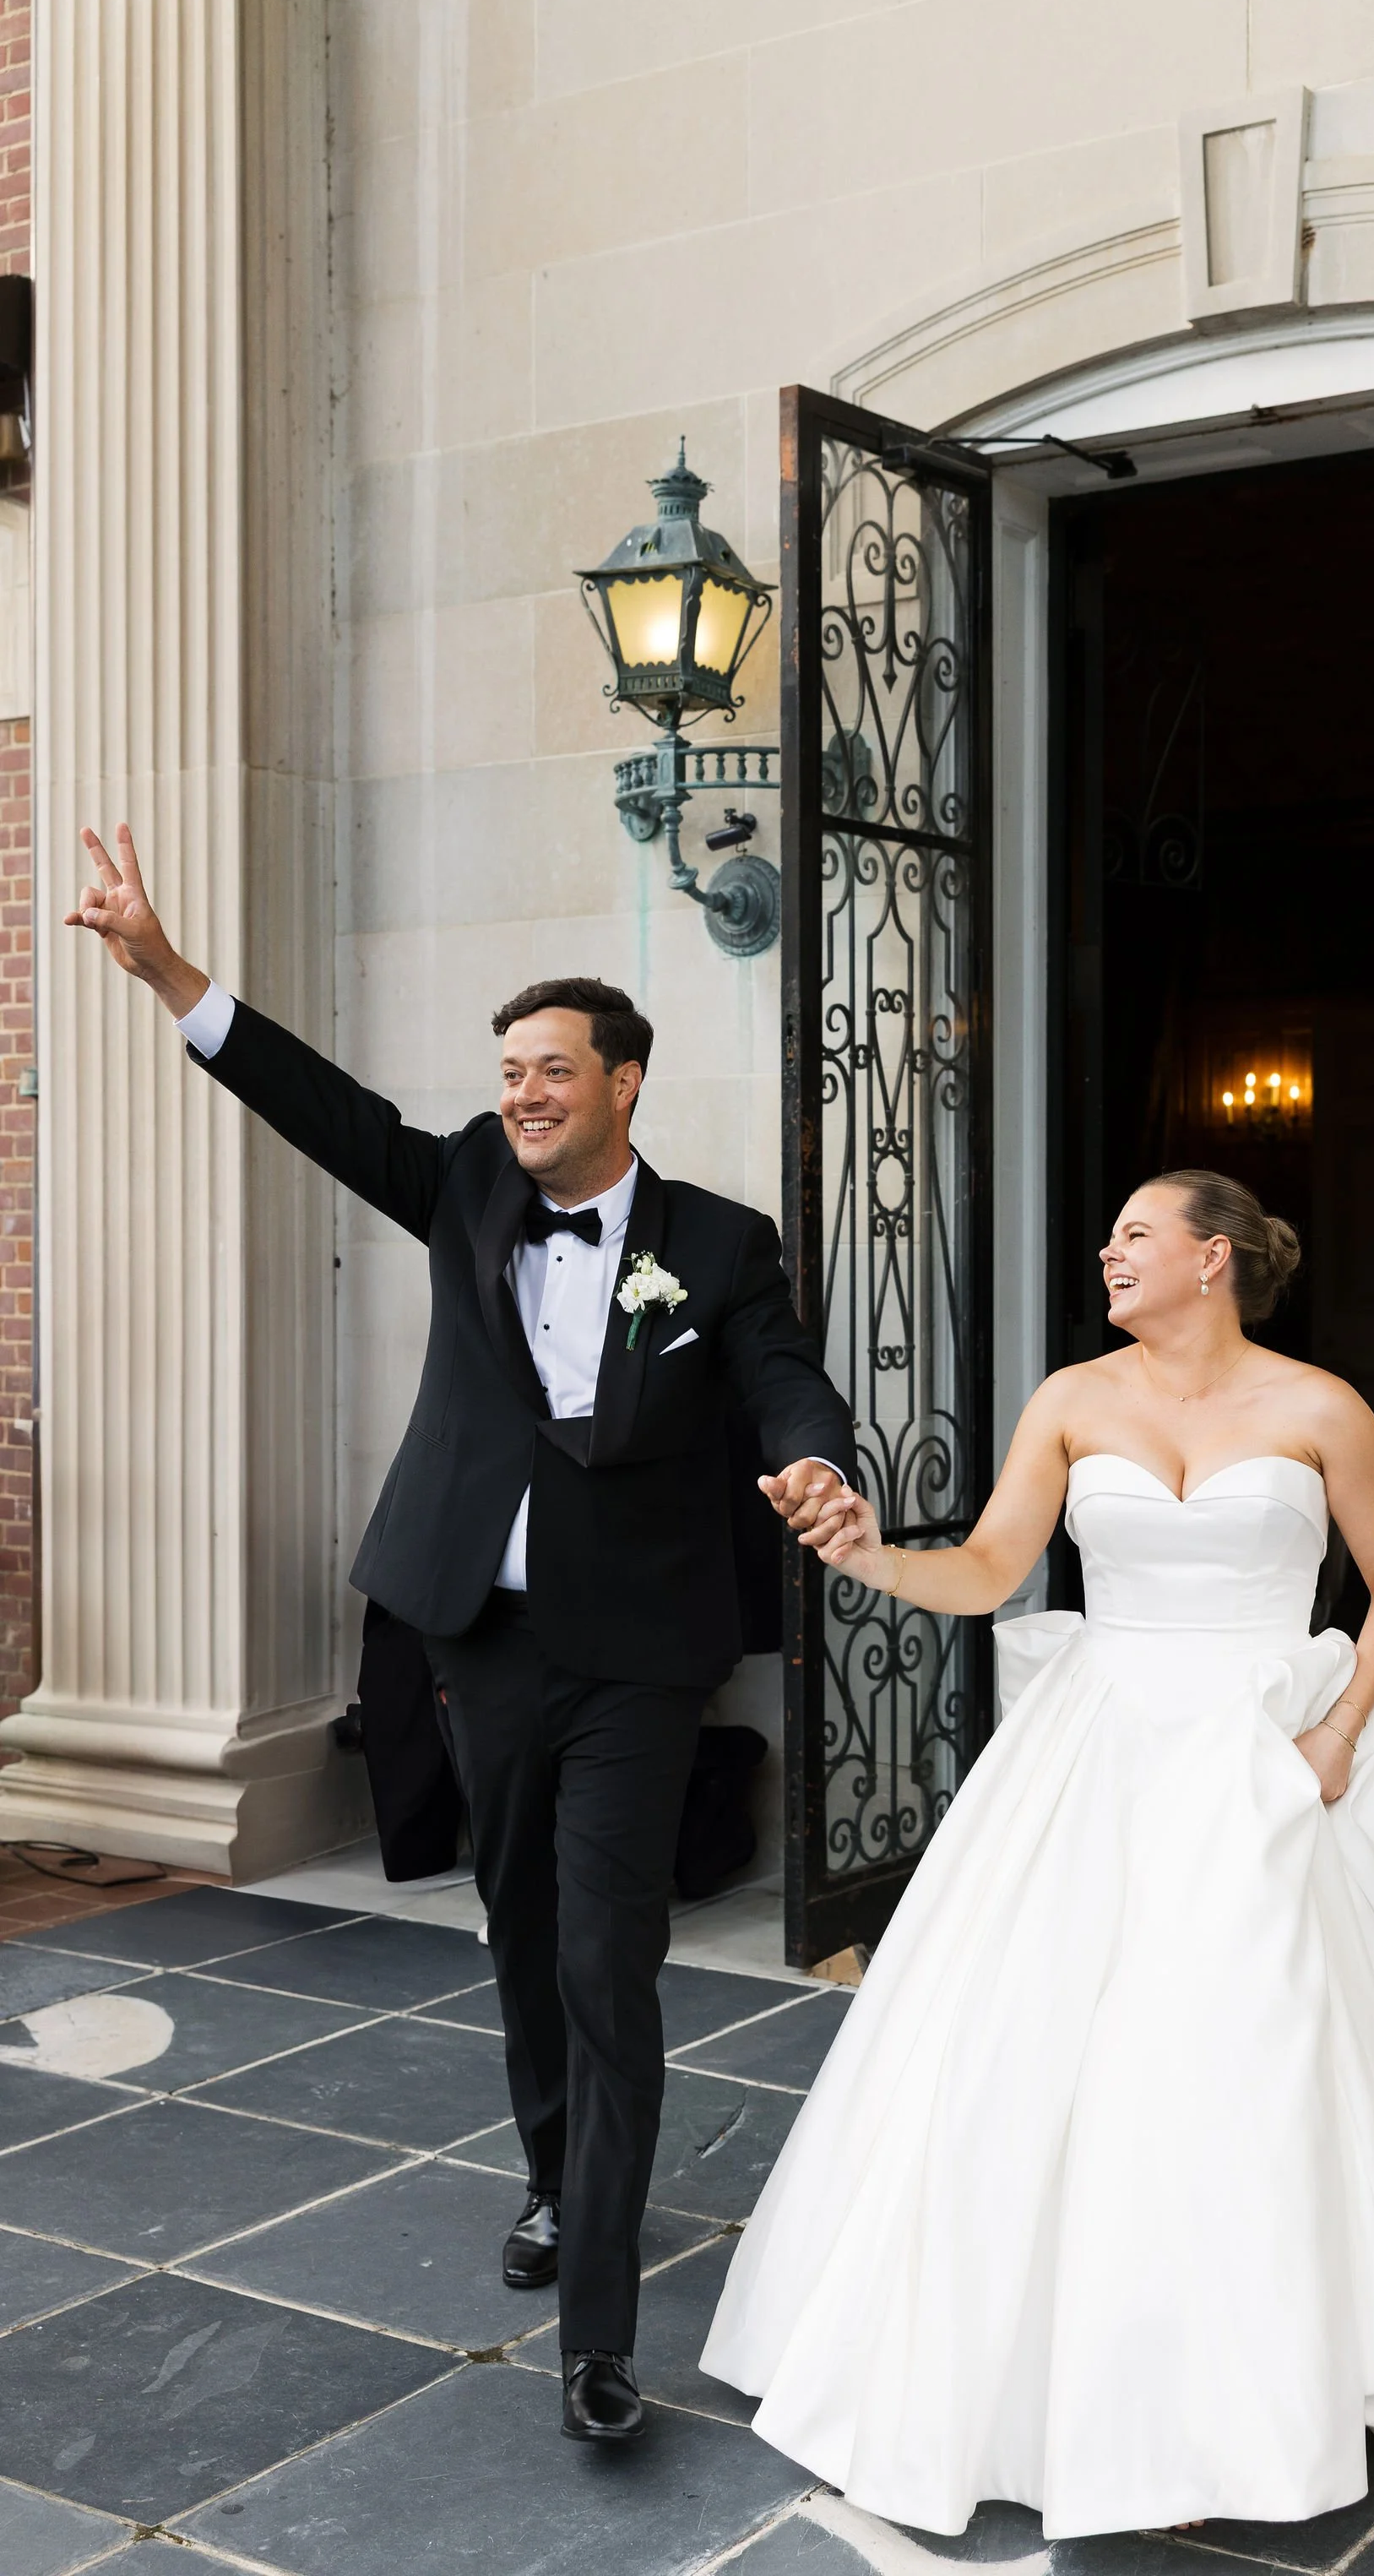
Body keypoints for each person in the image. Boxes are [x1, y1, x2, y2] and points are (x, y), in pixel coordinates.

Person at [68, 823, 855, 2448]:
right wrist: (163, 968)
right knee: (518, 1926)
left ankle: (600, 2330)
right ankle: (558, 2181)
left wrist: (814, 1456)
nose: (521, 1093)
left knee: (604, 1956)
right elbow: (320, 1107)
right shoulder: (472, 1187)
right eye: (508, 1069)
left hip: (639, 1653)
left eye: (551, 1069)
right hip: (484, 1643)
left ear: (626, 1081)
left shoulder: (718, 1243)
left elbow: (775, 1368)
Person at [701, 1169, 1374, 2540]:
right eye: (1110, 1238)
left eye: (1134, 1234)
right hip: (1098, 1748)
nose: (1107, 1254)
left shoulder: (1319, 1407)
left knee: (1253, 2049)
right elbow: (992, 1571)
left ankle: (1266, 2377)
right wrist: (870, 1555)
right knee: (1036, 2047)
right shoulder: (1069, 1399)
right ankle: (1060, 2381)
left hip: (1261, 1757)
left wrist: (1342, 1728)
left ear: (1213, 1258)